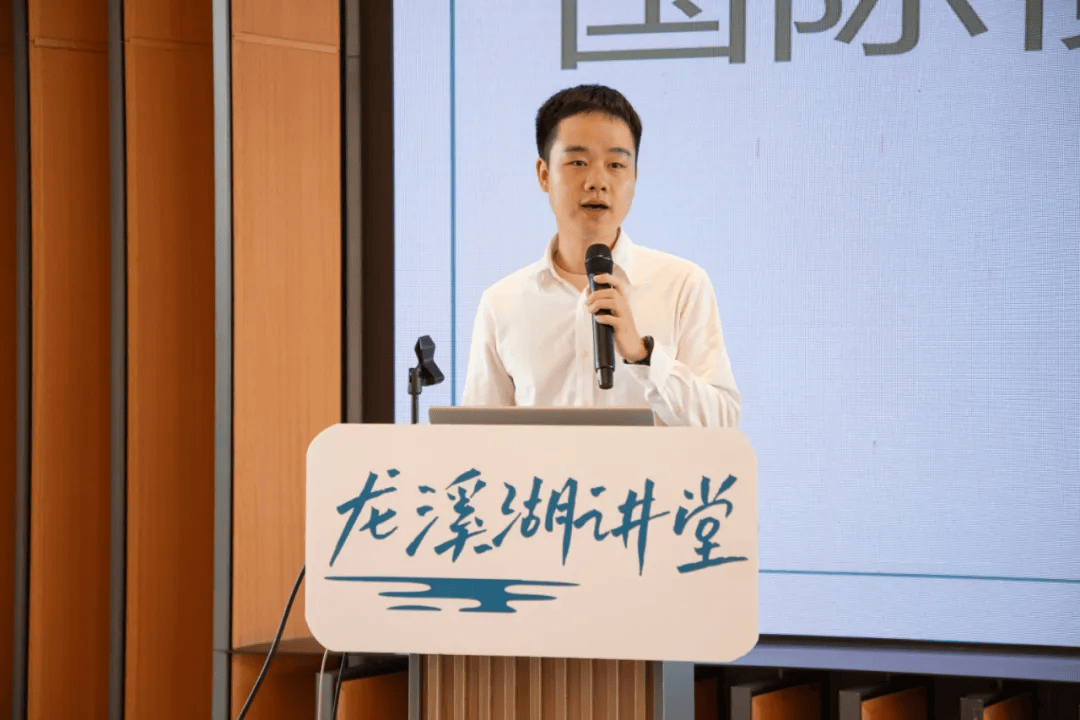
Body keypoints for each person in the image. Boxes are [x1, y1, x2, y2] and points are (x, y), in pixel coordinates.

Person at [461, 84, 740, 427]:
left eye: (616, 164)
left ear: (634, 177)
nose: (597, 181)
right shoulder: (501, 303)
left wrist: (642, 355)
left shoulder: (682, 285)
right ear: (544, 175)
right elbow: (477, 437)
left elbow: (721, 422)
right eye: (578, 162)